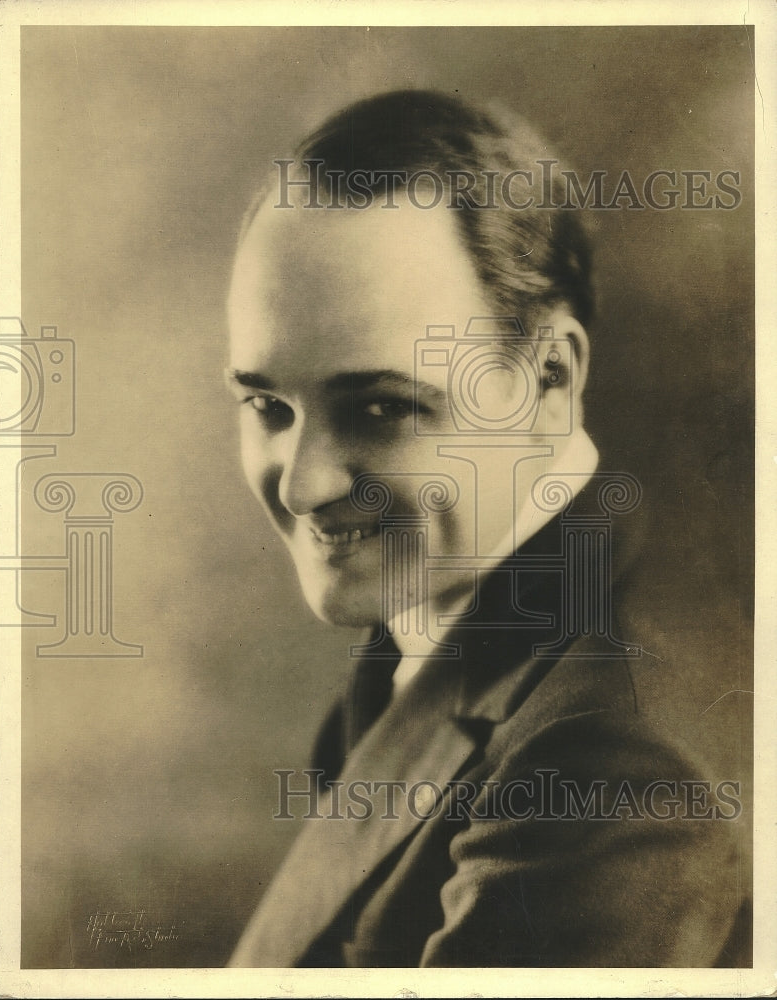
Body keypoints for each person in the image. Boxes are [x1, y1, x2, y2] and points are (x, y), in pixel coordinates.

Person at [225, 90, 749, 967]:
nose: (307, 483)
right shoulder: (445, 624)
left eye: (383, 407)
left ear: (550, 379)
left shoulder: (610, 759)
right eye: (268, 405)